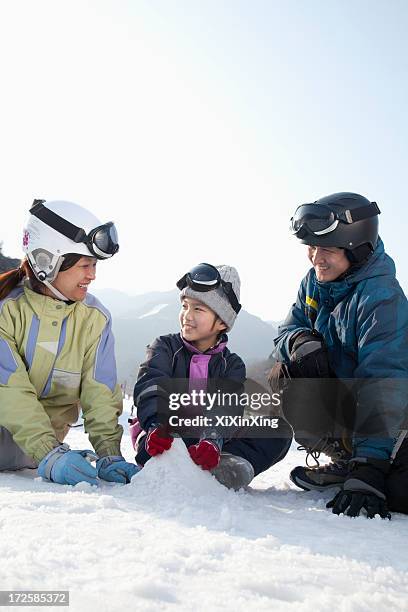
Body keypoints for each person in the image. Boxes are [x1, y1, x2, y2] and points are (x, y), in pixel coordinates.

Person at [271, 192, 408, 518]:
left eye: (327, 249)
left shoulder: (381, 297)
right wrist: (298, 342)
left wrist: (371, 465)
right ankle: (347, 460)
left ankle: (366, 463)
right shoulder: (314, 284)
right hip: (348, 404)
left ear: (357, 250)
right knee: (283, 372)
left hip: (396, 416)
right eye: (312, 247)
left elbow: (384, 380)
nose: (315, 257)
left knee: (400, 494)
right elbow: (284, 332)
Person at [0, 199, 139, 486]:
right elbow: (9, 389)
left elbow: (99, 391)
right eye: (85, 265)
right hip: (39, 454)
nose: (93, 274)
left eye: (95, 264)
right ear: (46, 262)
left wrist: (109, 454)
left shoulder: (94, 319)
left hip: (37, 459)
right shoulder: (6, 310)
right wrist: (48, 451)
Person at [131, 263, 292, 490]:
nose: (187, 315)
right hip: (163, 436)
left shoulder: (231, 364)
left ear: (222, 322)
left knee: (279, 431)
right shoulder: (165, 347)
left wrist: (213, 438)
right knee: (158, 445)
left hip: (207, 439)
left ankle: (223, 465)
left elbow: (227, 405)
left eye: (198, 309)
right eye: (185, 306)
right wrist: (157, 423)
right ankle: (175, 466)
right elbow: (151, 384)